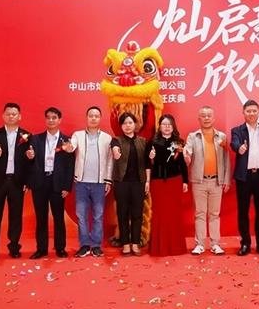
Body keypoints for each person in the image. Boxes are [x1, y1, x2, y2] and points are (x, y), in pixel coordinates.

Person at [0, 102, 32, 260]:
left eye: (14, 114)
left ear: (19, 116)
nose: (11, 116)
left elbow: (29, 161)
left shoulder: (26, 135)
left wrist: (28, 179)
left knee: (16, 216)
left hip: (17, 181)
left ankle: (14, 247)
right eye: (8, 114)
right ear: (3, 116)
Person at [26, 107, 75, 259]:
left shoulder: (67, 141)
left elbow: (70, 165)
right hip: (40, 183)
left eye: (54, 117)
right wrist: (29, 156)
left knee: (59, 217)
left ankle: (60, 248)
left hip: (58, 183)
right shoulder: (35, 139)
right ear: (45, 119)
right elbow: (29, 163)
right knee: (41, 218)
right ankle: (41, 249)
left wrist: (67, 186)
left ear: (60, 120)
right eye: (48, 117)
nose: (51, 120)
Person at [64, 106, 113, 258]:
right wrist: (68, 147)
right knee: (81, 215)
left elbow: (110, 161)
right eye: (91, 115)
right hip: (81, 183)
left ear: (100, 118)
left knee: (98, 215)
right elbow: (72, 147)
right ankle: (84, 245)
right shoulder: (77, 135)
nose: (93, 118)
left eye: (96, 116)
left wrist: (108, 180)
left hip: (99, 183)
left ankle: (96, 246)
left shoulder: (107, 138)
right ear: (86, 118)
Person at [184, 106, 231, 255]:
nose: (206, 118)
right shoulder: (193, 136)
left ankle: (215, 244)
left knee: (215, 214)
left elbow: (226, 159)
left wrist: (226, 180)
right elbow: (188, 150)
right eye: (203, 116)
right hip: (199, 181)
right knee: (200, 213)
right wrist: (187, 156)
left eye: (209, 115)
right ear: (199, 119)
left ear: (213, 118)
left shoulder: (221, 137)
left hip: (217, 181)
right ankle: (200, 244)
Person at [230, 100, 259, 256]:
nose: (252, 114)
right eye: (248, 111)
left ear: (258, 112)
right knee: (243, 212)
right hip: (245, 177)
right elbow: (234, 143)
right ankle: (245, 244)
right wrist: (239, 148)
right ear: (243, 113)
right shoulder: (237, 131)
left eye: (254, 111)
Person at [110, 112, 150, 256]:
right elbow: (114, 148)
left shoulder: (143, 141)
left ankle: (135, 244)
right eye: (124, 123)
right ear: (121, 126)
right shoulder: (116, 140)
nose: (127, 126)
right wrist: (115, 152)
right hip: (121, 183)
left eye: (130, 123)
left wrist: (147, 181)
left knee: (137, 214)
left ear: (135, 124)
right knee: (122, 214)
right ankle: (125, 244)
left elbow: (147, 163)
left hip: (139, 182)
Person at [149, 114, 189, 256]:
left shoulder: (178, 143)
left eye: (169, 124)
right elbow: (148, 165)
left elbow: (182, 164)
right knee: (159, 214)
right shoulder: (152, 142)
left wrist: (185, 181)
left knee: (174, 214)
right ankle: (159, 248)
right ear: (159, 126)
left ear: (173, 126)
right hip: (158, 182)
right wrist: (151, 159)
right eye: (164, 124)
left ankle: (176, 248)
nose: (167, 127)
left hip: (175, 181)